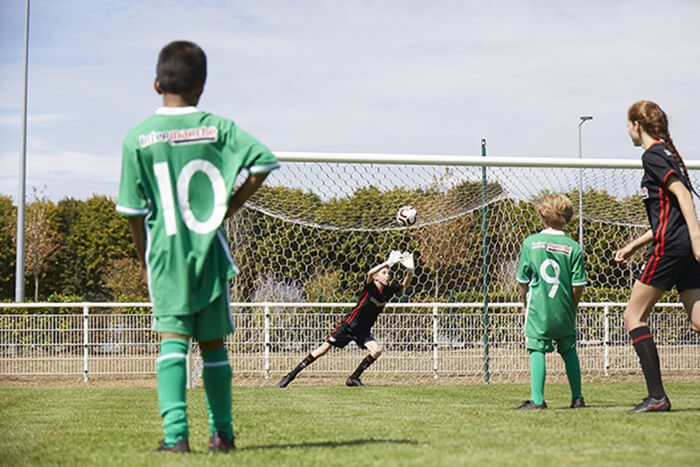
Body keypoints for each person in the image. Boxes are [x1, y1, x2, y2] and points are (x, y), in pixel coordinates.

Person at [116, 40, 280, 453]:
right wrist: (225, 208)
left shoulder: (137, 138)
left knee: (172, 342)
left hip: (167, 255)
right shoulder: (219, 128)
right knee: (213, 347)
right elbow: (262, 162)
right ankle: (222, 435)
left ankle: (175, 439)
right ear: (202, 86)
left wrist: (144, 259)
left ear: (156, 83)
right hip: (210, 251)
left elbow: (133, 213)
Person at [614, 100, 700, 413]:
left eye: (627, 124)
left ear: (637, 124)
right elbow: (669, 214)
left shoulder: (652, 155)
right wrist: (635, 244)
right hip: (682, 248)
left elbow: (683, 195)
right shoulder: (667, 154)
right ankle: (656, 397)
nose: (627, 131)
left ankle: (657, 397)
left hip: (673, 249)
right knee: (698, 322)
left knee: (633, 316)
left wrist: (696, 238)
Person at [276, 250, 414, 388]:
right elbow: (369, 274)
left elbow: (404, 285)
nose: (387, 276)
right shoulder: (369, 287)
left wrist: (410, 270)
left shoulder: (388, 291)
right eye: (384, 273)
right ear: (377, 277)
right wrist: (388, 263)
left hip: (363, 331)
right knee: (323, 349)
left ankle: (353, 378)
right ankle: (290, 376)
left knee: (377, 350)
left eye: (389, 273)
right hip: (348, 326)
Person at [515, 194, 587, 410]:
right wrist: (572, 307)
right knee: (569, 350)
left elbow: (522, 281)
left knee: (537, 349)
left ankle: (537, 400)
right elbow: (578, 285)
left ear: (541, 215)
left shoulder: (530, 243)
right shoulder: (573, 247)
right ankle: (577, 398)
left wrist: (524, 304)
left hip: (539, 308)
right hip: (564, 309)